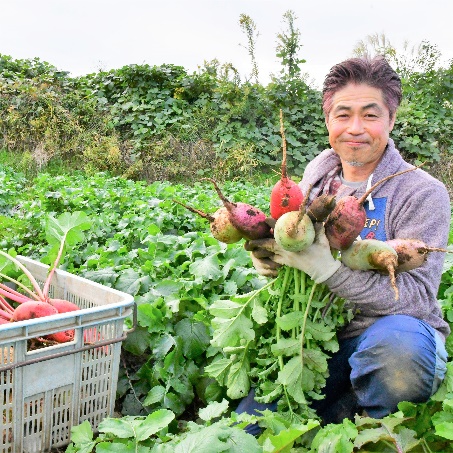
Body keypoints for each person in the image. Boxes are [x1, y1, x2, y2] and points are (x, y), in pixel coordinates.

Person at [238, 56, 450, 427]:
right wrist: (271, 259)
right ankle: (341, 406)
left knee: (399, 350)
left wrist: (329, 271)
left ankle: (376, 428)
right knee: (245, 430)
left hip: (388, 334)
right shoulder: (318, 173)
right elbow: (298, 241)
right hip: (316, 342)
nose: (355, 128)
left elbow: (416, 298)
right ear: (327, 121)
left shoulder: (422, 192)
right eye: (343, 115)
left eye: (370, 115)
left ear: (391, 120)